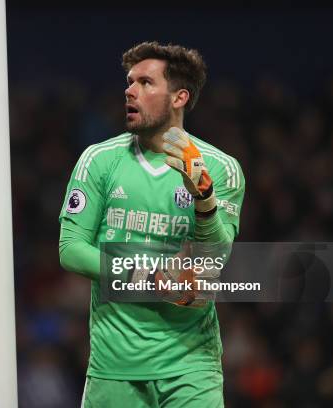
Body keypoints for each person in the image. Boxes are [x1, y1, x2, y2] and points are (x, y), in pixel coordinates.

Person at [58, 41, 245, 407]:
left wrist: (204, 201)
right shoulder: (99, 160)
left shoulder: (221, 169)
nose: (129, 90)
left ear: (179, 97)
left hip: (191, 365)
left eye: (145, 82)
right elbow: (71, 250)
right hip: (115, 365)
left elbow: (214, 261)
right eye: (129, 81)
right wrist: (148, 275)